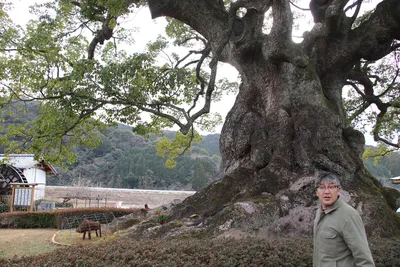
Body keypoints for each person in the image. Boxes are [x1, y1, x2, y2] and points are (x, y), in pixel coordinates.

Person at [313, 171, 375, 267]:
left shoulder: (349, 215)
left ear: (339, 190)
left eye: (331, 187)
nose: (326, 191)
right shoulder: (319, 212)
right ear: (316, 192)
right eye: (321, 187)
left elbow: (364, 260)